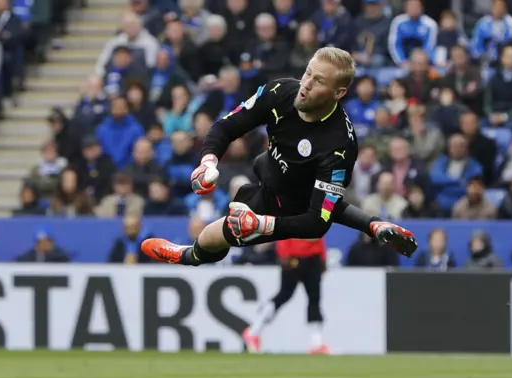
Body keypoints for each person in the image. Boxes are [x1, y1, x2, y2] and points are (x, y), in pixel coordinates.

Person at [141, 47, 417, 266]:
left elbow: (318, 221)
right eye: (308, 72)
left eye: (318, 81)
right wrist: (208, 160)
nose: (306, 84)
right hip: (271, 170)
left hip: (288, 209)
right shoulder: (281, 91)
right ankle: (373, 224)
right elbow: (227, 126)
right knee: (262, 165)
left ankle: (189, 257)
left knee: (212, 238)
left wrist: (262, 224)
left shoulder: (339, 145)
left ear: (339, 93)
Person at [243, 238, 329, 354]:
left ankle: (316, 343)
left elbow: (320, 232)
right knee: (284, 294)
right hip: (293, 258)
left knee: (314, 298)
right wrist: (284, 255)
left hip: (313, 258)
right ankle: (253, 331)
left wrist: (322, 257)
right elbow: (285, 230)